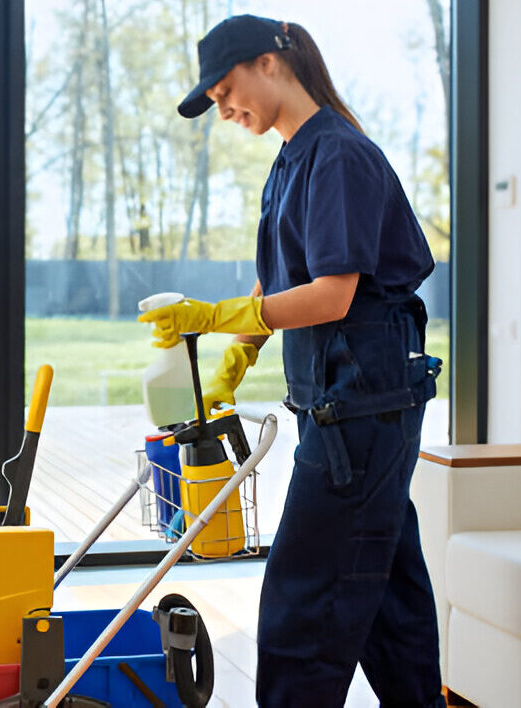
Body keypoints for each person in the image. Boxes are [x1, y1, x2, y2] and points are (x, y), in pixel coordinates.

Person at [139, 14, 445, 708]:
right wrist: (235, 357)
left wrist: (218, 318)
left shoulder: (337, 154)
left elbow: (333, 296)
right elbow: (281, 280)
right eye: (214, 102)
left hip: (360, 414)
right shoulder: (295, 157)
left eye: (225, 90)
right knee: (389, 600)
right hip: (350, 409)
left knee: (302, 603)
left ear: (270, 64)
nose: (224, 109)